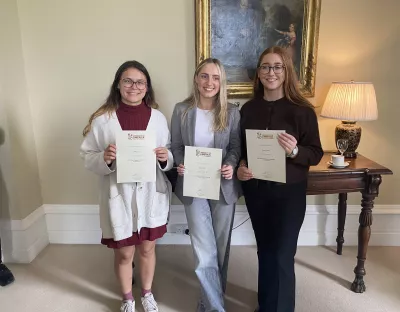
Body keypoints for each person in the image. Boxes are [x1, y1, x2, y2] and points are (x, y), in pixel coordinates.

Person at [80, 60, 173, 312]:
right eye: (128, 81)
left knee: (147, 249)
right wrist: (105, 158)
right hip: (118, 194)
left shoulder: (158, 118)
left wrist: (165, 158)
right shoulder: (103, 120)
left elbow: (169, 153)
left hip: (150, 194)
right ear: (118, 85)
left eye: (140, 82)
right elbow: (87, 155)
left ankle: (146, 294)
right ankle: (127, 298)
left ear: (147, 87)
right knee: (124, 253)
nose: (134, 86)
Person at [237, 46, 323, 312]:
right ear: (258, 73)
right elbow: (242, 150)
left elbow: (316, 153)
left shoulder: (303, 111)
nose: (271, 72)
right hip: (257, 191)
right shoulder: (247, 109)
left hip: (289, 193)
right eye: (265, 66)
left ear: (286, 72)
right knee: (265, 251)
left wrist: (295, 151)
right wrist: (241, 167)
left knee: (283, 254)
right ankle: (266, 306)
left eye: (277, 66)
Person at [171, 58, 241, 312]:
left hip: (223, 185)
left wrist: (231, 164)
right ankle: (215, 308)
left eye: (215, 77)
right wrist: (180, 163)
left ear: (221, 82)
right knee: (203, 251)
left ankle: (210, 300)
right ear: (196, 79)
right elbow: (177, 146)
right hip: (193, 185)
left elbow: (235, 147)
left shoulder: (232, 111)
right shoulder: (182, 110)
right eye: (204, 76)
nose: (209, 82)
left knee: (220, 250)